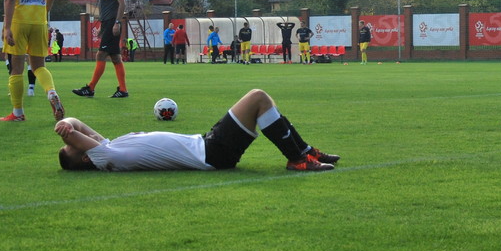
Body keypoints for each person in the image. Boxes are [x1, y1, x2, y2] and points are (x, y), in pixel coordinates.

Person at [55, 88, 340, 172]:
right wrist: (65, 129)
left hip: (208, 145)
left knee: (263, 105)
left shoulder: (107, 147)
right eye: (75, 146)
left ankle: (303, 152)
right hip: (210, 153)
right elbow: (72, 132)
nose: (83, 139)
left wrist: (68, 121)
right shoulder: (105, 158)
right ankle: (297, 159)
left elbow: (76, 125)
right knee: (257, 98)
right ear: (83, 157)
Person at [73, 0, 128, 98]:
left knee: (101, 54)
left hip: (112, 23)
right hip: (107, 23)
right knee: (115, 57)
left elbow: (122, 4)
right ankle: (123, 90)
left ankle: (90, 88)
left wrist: (117, 22)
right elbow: (106, 9)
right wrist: (101, 27)